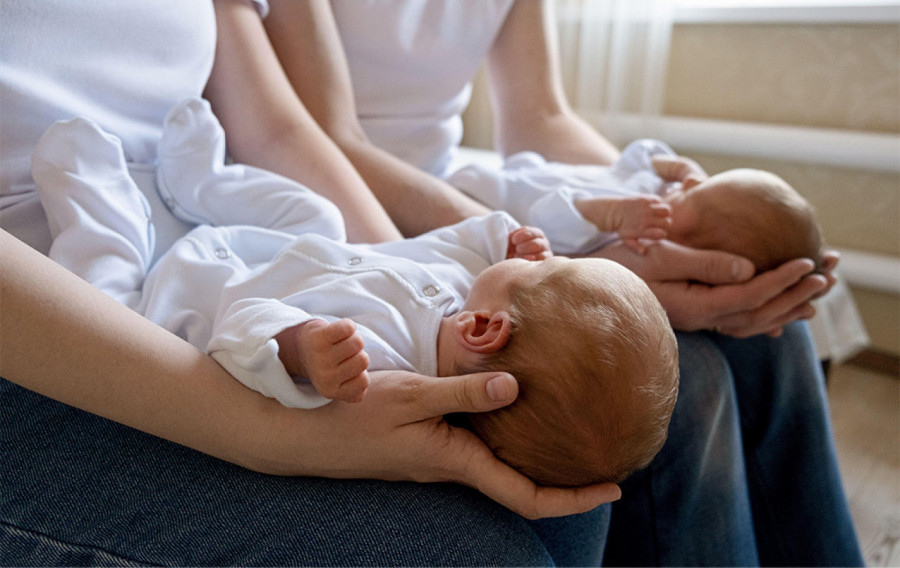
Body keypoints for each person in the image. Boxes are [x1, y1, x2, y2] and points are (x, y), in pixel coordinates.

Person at [0, 0, 622, 565]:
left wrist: (389, 264)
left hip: (210, 237)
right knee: (467, 553)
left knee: (568, 488)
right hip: (61, 322)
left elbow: (275, 130)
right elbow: (256, 333)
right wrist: (268, 431)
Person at [257, 0, 864, 564]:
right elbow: (328, 134)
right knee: (691, 377)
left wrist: (651, 208)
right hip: (344, 192)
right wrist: (581, 263)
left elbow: (540, 117)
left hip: (459, 195)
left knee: (774, 339)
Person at [31, 97, 679, 489]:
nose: (540, 256)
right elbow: (464, 241)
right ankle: (201, 181)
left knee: (103, 286)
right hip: (261, 247)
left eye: (547, 270)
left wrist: (301, 350)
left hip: (180, 301)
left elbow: (240, 333)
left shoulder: (373, 362)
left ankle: (99, 204)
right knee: (320, 215)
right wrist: (514, 249)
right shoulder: (465, 294)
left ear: (486, 330)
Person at [448, 138, 826, 272]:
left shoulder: (631, 237)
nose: (688, 182)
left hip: (491, 195)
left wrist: (608, 216)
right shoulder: (659, 193)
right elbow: (633, 158)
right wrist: (672, 164)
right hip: (527, 169)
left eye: (693, 194)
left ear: (685, 244)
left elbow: (548, 220)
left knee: (471, 190)